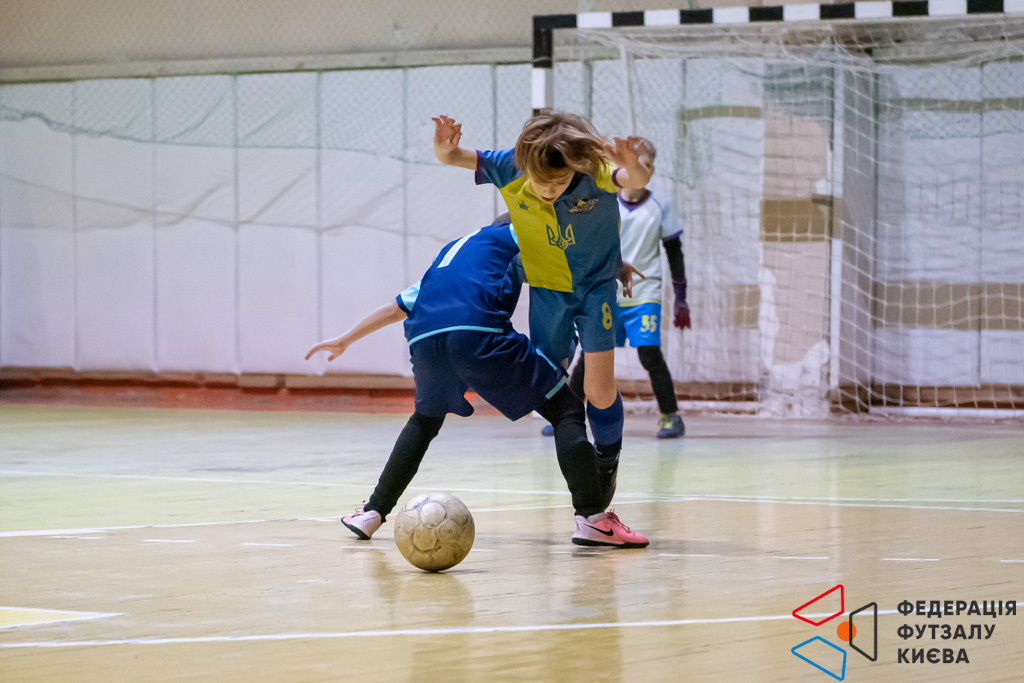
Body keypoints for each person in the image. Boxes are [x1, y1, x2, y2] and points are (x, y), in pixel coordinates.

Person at [306, 218, 648, 548]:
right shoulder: (518, 231)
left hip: (424, 340)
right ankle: (592, 519)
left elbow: (394, 308)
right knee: (566, 408)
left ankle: (372, 512)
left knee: (424, 421)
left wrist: (344, 340)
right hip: (476, 332)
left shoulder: (452, 252)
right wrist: (615, 266)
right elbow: (576, 250)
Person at [432, 110, 653, 489]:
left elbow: (634, 180)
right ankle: (580, 476)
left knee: (598, 390)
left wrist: (634, 166)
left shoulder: (592, 169)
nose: (550, 190)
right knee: (552, 390)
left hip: (595, 287)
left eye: (560, 182)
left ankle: (607, 460)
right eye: (542, 183)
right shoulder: (509, 165)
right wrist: (444, 148)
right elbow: (453, 157)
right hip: (548, 289)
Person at [550, 138, 689, 439]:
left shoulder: (660, 206)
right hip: (606, 291)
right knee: (590, 355)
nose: (638, 168)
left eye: (645, 164)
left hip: (644, 293)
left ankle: (670, 416)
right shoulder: (604, 199)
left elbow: (674, 252)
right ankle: (567, 415)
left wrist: (681, 297)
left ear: (651, 170)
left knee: (649, 354)